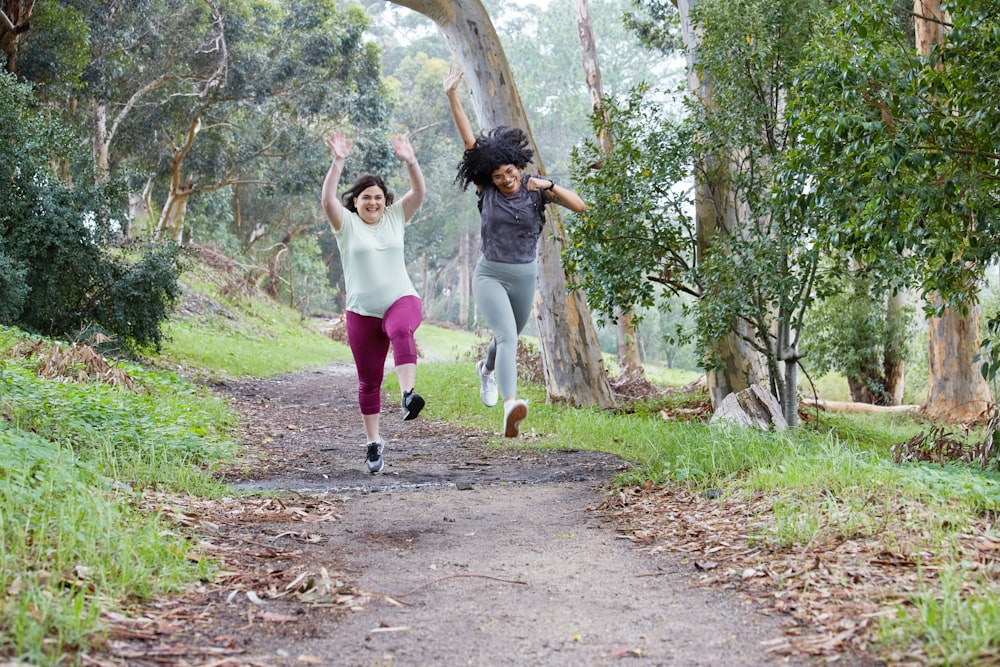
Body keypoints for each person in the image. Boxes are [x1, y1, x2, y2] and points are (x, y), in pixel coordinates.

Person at [443, 65, 587, 438]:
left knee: (505, 337)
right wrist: (452, 96)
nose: (505, 180)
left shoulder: (536, 188)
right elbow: (469, 143)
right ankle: (511, 405)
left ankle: (485, 371)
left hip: (524, 276)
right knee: (507, 336)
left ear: (517, 167)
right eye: (498, 176)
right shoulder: (486, 190)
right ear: (488, 179)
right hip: (490, 273)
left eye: (509, 172)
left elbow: (581, 207)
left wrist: (551, 183)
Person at [321, 130, 426, 474]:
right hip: (361, 313)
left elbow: (419, 192)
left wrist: (411, 161)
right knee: (369, 381)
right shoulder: (346, 225)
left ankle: (409, 395)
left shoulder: (396, 217)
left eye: (379, 197)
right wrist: (338, 162)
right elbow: (327, 201)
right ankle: (373, 443)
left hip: (401, 299)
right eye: (367, 197)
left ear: (385, 200)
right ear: (357, 201)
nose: (373, 203)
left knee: (399, 328)